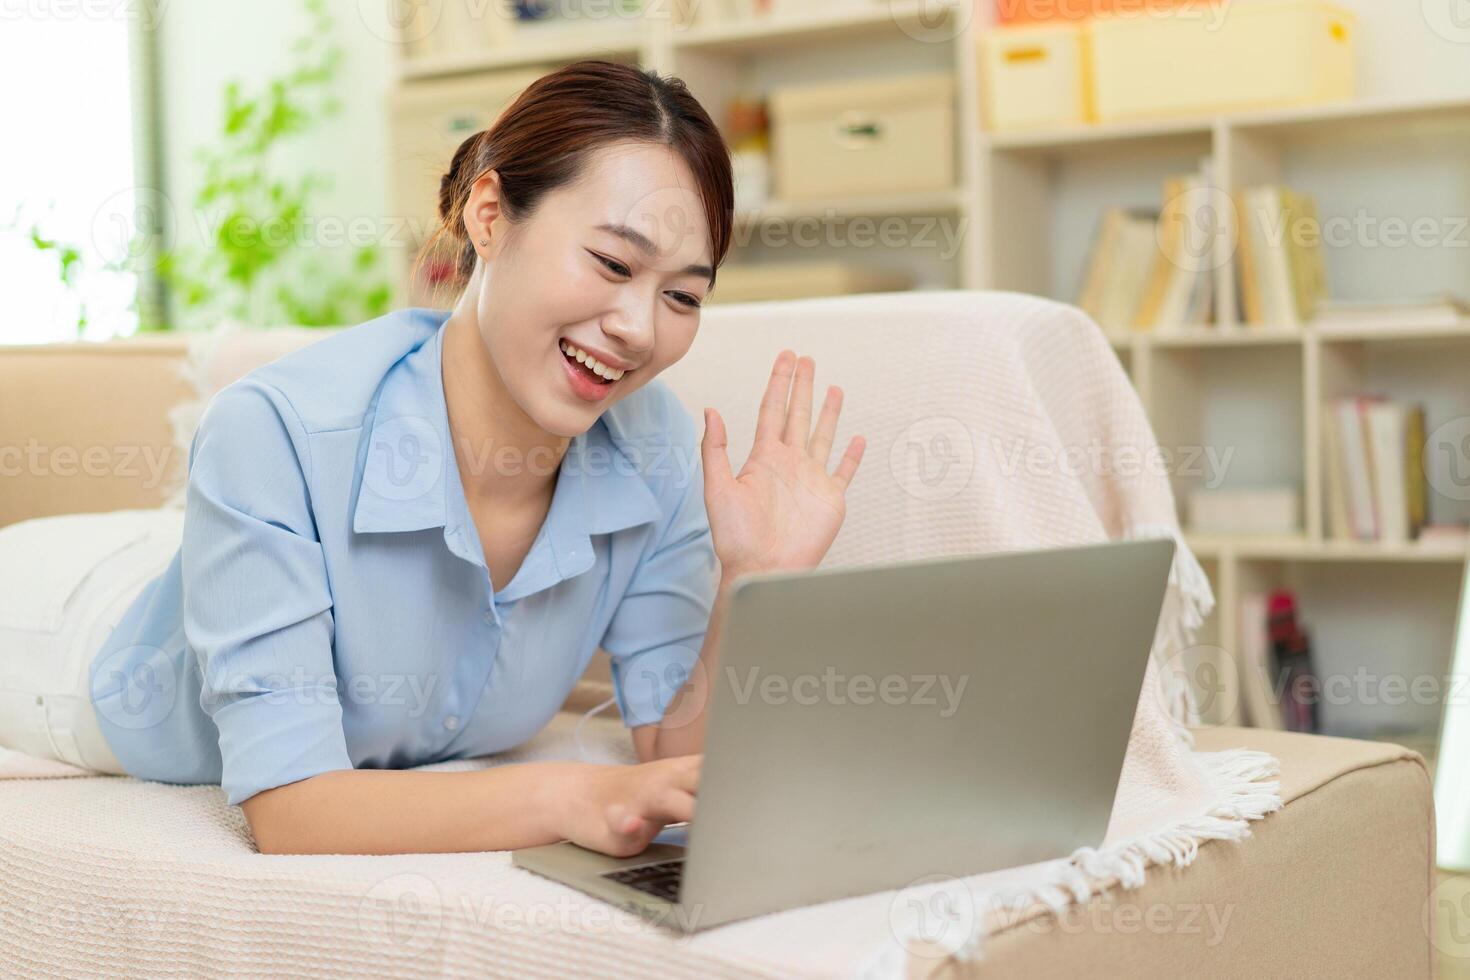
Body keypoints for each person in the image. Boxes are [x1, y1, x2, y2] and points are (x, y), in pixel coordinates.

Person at [0, 60, 865, 857]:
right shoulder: (277, 432)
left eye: (682, 295)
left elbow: (677, 763)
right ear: (489, 217)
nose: (640, 328)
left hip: (190, 564)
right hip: (62, 629)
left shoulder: (657, 449)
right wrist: (569, 799)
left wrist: (753, 580)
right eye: (610, 261)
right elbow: (292, 810)